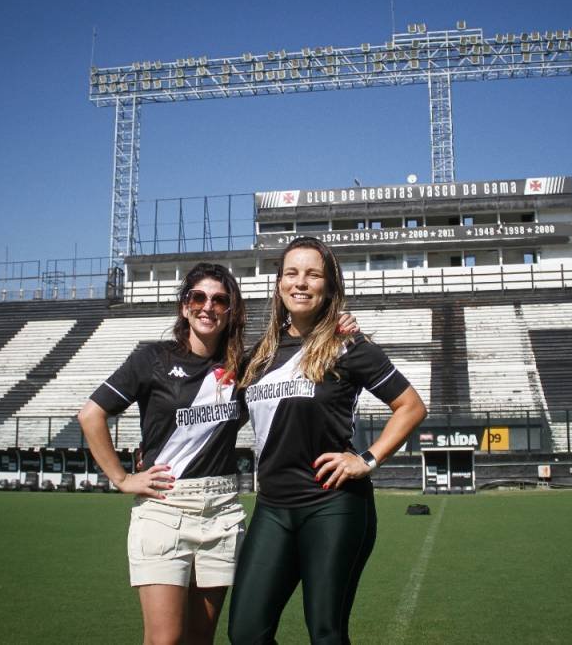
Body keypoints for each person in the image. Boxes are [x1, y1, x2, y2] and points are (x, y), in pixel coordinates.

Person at [78, 262, 360, 645]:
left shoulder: (244, 368)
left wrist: (339, 325)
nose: (207, 306)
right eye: (198, 297)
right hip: (165, 508)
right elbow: (91, 414)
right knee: (165, 639)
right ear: (184, 306)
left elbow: (300, 355)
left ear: (231, 310)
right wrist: (122, 478)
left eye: (219, 300)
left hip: (222, 513)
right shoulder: (151, 359)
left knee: (200, 639)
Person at [228, 237, 427, 644]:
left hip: (332, 506)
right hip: (272, 508)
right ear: (279, 283)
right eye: (291, 273)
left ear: (329, 286)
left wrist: (366, 459)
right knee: (246, 633)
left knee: (326, 634)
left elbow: (411, 407)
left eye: (313, 274)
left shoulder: (349, 345)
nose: (300, 283)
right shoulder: (259, 356)